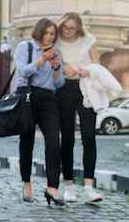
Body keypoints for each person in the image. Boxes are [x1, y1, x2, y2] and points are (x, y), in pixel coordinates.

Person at [13, 17, 65, 206]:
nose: (49, 36)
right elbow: (22, 71)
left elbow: (60, 83)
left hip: (49, 99)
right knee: (27, 142)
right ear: (39, 32)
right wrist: (42, 60)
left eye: (52, 34)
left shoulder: (56, 52)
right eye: (47, 33)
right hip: (28, 96)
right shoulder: (25, 47)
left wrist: (56, 66)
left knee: (53, 141)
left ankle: (52, 187)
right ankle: (26, 184)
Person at [54, 11, 104, 203]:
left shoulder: (89, 40)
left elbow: (97, 65)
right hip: (64, 89)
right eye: (65, 27)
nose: (67, 31)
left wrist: (88, 71)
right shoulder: (56, 40)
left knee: (89, 136)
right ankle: (69, 187)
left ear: (79, 28)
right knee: (67, 138)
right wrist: (61, 66)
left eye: (72, 28)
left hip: (86, 87)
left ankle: (89, 188)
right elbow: (51, 62)